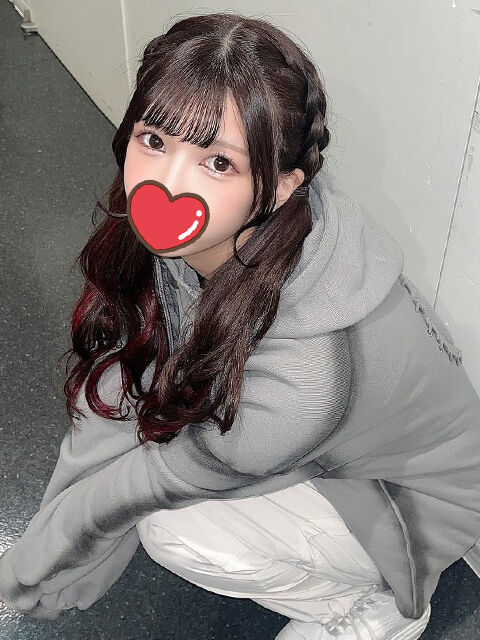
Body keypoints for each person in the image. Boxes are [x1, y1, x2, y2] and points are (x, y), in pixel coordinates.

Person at [1, 11, 479, 640]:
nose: (166, 184)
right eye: (155, 140)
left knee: (172, 531)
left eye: (218, 163)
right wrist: (46, 548)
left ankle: (375, 608)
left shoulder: (309, 381)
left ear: (280, 186)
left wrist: (24, 578)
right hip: (331, 440)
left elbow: (136, 488)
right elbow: (115, 393)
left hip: (406, 499)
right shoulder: (227, 227)